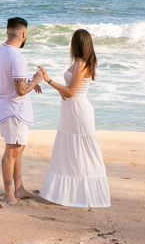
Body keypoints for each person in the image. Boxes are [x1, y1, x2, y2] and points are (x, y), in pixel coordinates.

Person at [36, 29, 111, 208]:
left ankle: (85, 194)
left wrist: (48, 80)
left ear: (77, 44)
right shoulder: (79, 63)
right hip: (71, 109)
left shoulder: (81, 64)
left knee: (82, 151)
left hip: (78, 111)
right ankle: (68, 193)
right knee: (70, 151)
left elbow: (71, 91)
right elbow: (70, 90)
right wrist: (63, 91)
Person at [0, 17, 45, 205]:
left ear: (8, 32)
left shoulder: (0, 51)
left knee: (18, 149)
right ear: (24, 34)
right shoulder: (17, 57)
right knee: (12, 151)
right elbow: (21, 90)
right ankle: (9, 193)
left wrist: (30, 83)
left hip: (9, 106)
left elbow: (6, 79)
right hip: (14, 110)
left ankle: (19, 188)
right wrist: (37, 80)